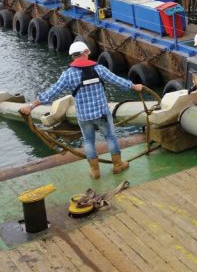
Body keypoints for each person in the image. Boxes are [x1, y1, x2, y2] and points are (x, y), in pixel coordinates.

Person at [19, 41, 143, 179]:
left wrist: (30, 106)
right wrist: (133, 86)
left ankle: (95, 171)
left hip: (84, 116)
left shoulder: (68, 75)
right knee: (111, 137)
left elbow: (50, 93)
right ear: (85, 53)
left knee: (88, 141)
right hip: (102, 113)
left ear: (73, 56)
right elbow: (116, 80)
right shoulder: (99, 69)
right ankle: (117, 165)